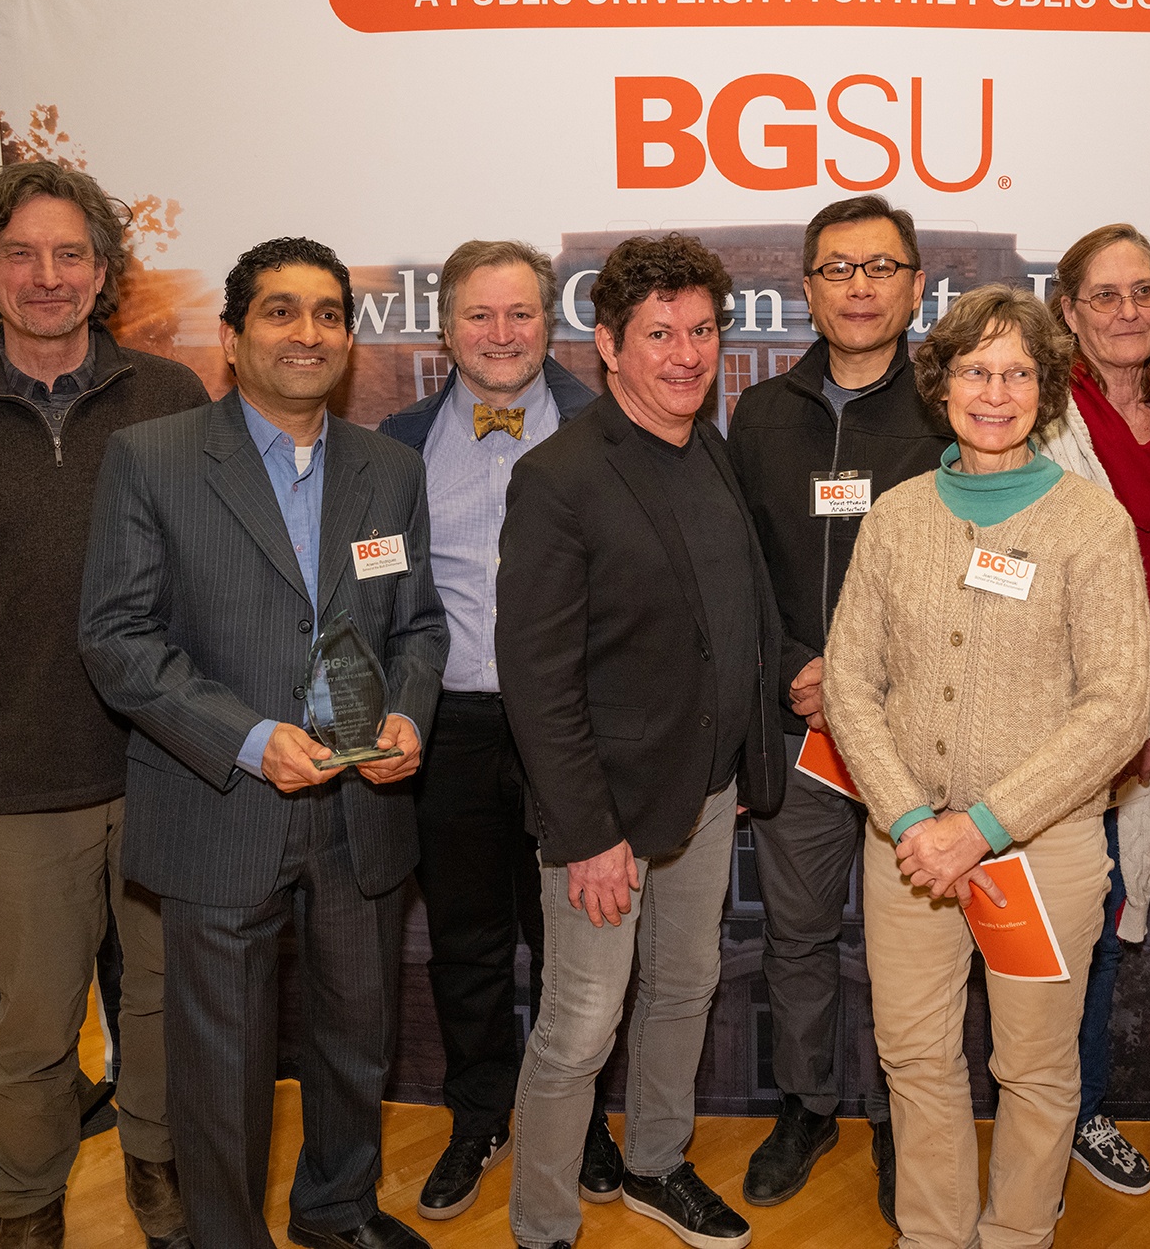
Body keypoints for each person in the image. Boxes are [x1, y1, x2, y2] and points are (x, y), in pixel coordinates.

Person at [78, 236, 447, 1249]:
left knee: (354, 1040)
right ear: (233, 339)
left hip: (359, 813)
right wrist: (244, 737)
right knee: (223, 1061)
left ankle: (336, 1212)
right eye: (281, 311)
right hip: (220, 806)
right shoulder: (153, 460)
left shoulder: (390, 469)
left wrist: (409, 708)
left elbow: (415, 625)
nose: (308, 331)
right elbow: (115, 636)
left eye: (328, 313)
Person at [0, 161, 208, 1249]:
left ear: (103, 269)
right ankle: (27, 1206)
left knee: (162, 1004)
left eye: (70, 253)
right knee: (30, 1027)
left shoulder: (169, 398)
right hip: (19, 782)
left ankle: (156, 1165)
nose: (47, 275)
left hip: (167, 767)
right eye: (20, 252)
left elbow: (216, 589)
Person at [822, 284, 1150, 1249]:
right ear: (943, 383)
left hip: (1038, 856)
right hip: (909, 849)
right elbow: (850, 685)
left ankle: (1015, 1234)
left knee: (1037, 1068)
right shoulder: (897, 517)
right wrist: (911, 820)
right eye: (975, 370)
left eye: (1019, 373)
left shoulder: (1092, 525)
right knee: (917, 1055)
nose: (996, 392)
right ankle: (931, 1235)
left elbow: (1119, 708)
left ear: (1047, 389)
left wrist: (985, 826)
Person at [497, 233, 790, 1249]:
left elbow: (735, 610)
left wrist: (752, 748)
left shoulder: (704, 443)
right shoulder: (558, 477)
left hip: (706, 793)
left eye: (702, 330)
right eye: (659, 333)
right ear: (607, 344)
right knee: (579, 1025)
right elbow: (535, 678)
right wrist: (586, 833)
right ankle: (541, 1222)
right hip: (603, 816)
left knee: (685, 987)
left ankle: (658, 1164)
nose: (686, 353)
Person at [375, 239, 623, 1221]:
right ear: (445, 330)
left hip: (574, 728)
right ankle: (476, 1114)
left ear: (550, 322)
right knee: (469, 943)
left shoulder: (611, 430)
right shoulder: (396, 442)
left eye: (519, 313)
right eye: (479, 315)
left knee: (581, 946)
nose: (501, 333)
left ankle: (584, 1120)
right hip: (452, 729)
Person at [725, 194, 951, 1222]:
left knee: (912, 943)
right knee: (800, 933)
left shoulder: (954, 415)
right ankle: (809, 1103)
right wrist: (787, 665)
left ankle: (911, 1117)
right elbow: (737, 572)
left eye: (880, 266)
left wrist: (865, 676)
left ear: (914, 283)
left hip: (914, 731)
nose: (859, 286)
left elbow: (964, 579)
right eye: (836, 268)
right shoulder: (759, 415)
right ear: (806, 289)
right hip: (796, 727)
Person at [1040, 223, 1150, 1197]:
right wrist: (1101, 718)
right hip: (1061, 720)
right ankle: (1037, 1112)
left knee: (1100, 921)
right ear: (1067, 311)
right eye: (1103, 295)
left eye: (1141, 290)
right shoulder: (1043, 414)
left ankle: (1081, 1108)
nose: (1126, 310)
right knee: (1045, 927)